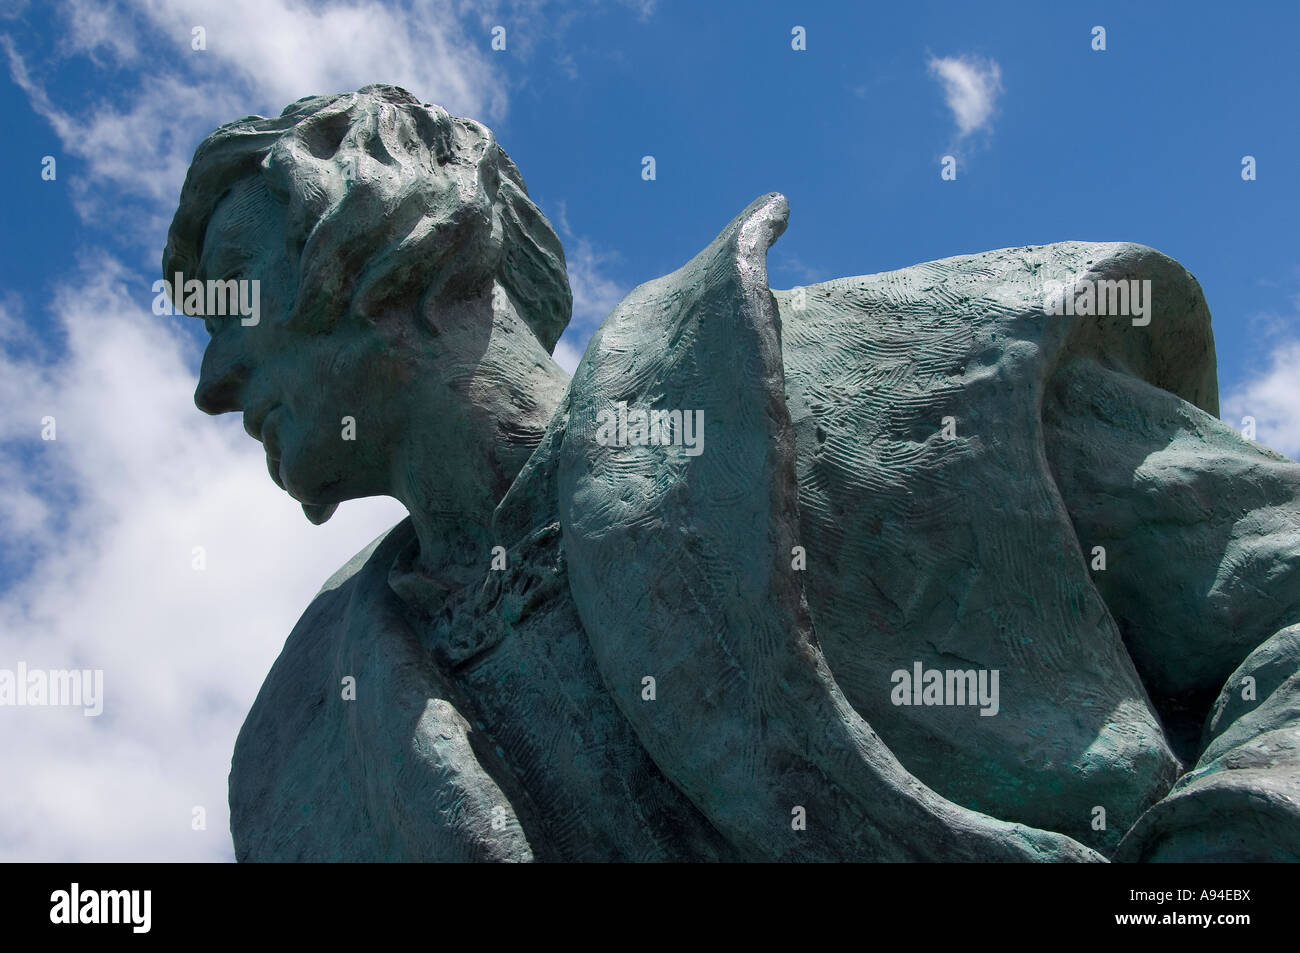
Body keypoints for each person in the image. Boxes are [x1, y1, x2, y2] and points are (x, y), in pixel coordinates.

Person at [166, 84, 1300, 861]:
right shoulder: (303, 747)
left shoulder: (915, 372)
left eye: (230, 286)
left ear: (394, 229)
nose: (214, 379)